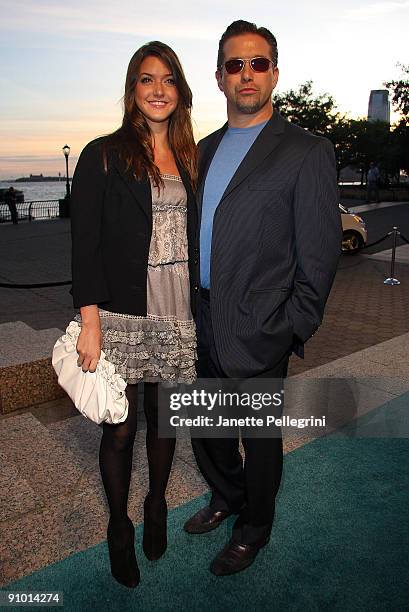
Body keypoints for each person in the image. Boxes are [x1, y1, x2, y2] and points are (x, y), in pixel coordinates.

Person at [183, 20, 342, 576]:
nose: (246, 74)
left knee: (259, 438)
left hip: (261, 324)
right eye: (234, 65)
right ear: (220, 78)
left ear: (274, 72)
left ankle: (255, 528)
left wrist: (291, 324)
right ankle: (227, 497)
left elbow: (320, 256)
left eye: (257, 63)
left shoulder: (306, 150)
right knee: (206, 427)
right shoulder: (200, 151)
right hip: (198, 317)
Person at [70, 41, 198, 588]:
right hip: (120, 311)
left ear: (181, 90)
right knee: (120, 430)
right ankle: (118, 527)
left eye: (168, 79)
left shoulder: (195, 158)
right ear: (132, 89)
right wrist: (91, 321)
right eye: (148, 79)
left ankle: (156, 505)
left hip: (177, 307)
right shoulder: (103, 155)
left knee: (165, 422)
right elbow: (84, 245)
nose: (158, 90)